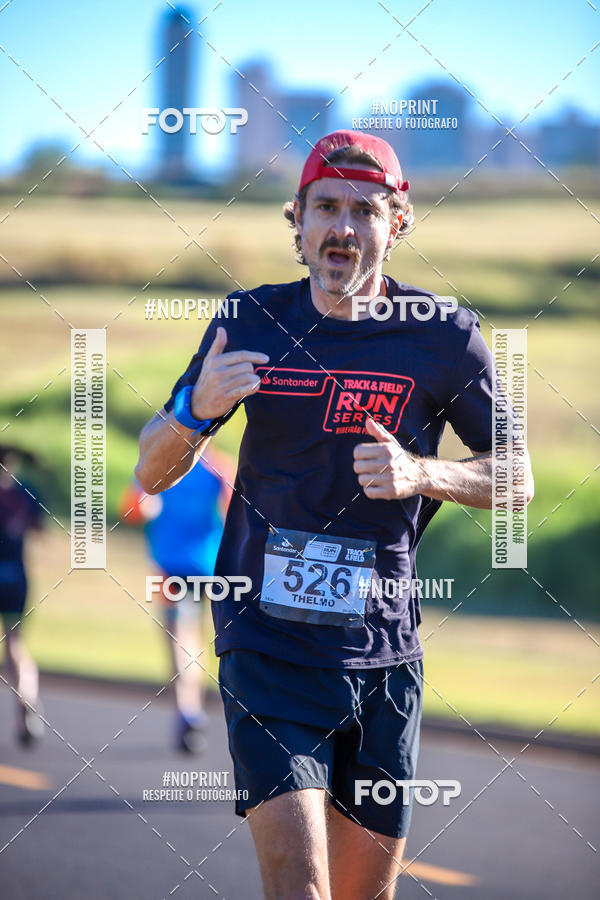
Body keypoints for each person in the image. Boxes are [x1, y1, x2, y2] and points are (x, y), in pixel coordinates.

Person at [135, 130, 534, 899]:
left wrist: (423, 472)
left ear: (398, 223)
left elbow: (515, 477)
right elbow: (152, 467)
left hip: (384, 653)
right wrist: (196, 408)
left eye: (364, 210)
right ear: (298, 220)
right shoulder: (249, 322)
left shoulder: (444, 336)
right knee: (301, 890)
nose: (343, 228)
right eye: (325, 208)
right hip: (266, 644)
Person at [119, 444, 233, 753]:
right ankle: (195, 707)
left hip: (171, 566)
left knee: (178, 637)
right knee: (196, 636)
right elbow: (236, 511)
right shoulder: (218, 466)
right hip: (211, 567)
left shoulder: (161, 463)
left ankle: (188, 709)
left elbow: (131, 510)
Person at [0, 445, 45, 746]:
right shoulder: (24, 494)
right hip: (16, 577)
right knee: (15, 643)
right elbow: (39, 530)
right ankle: (27, 700)